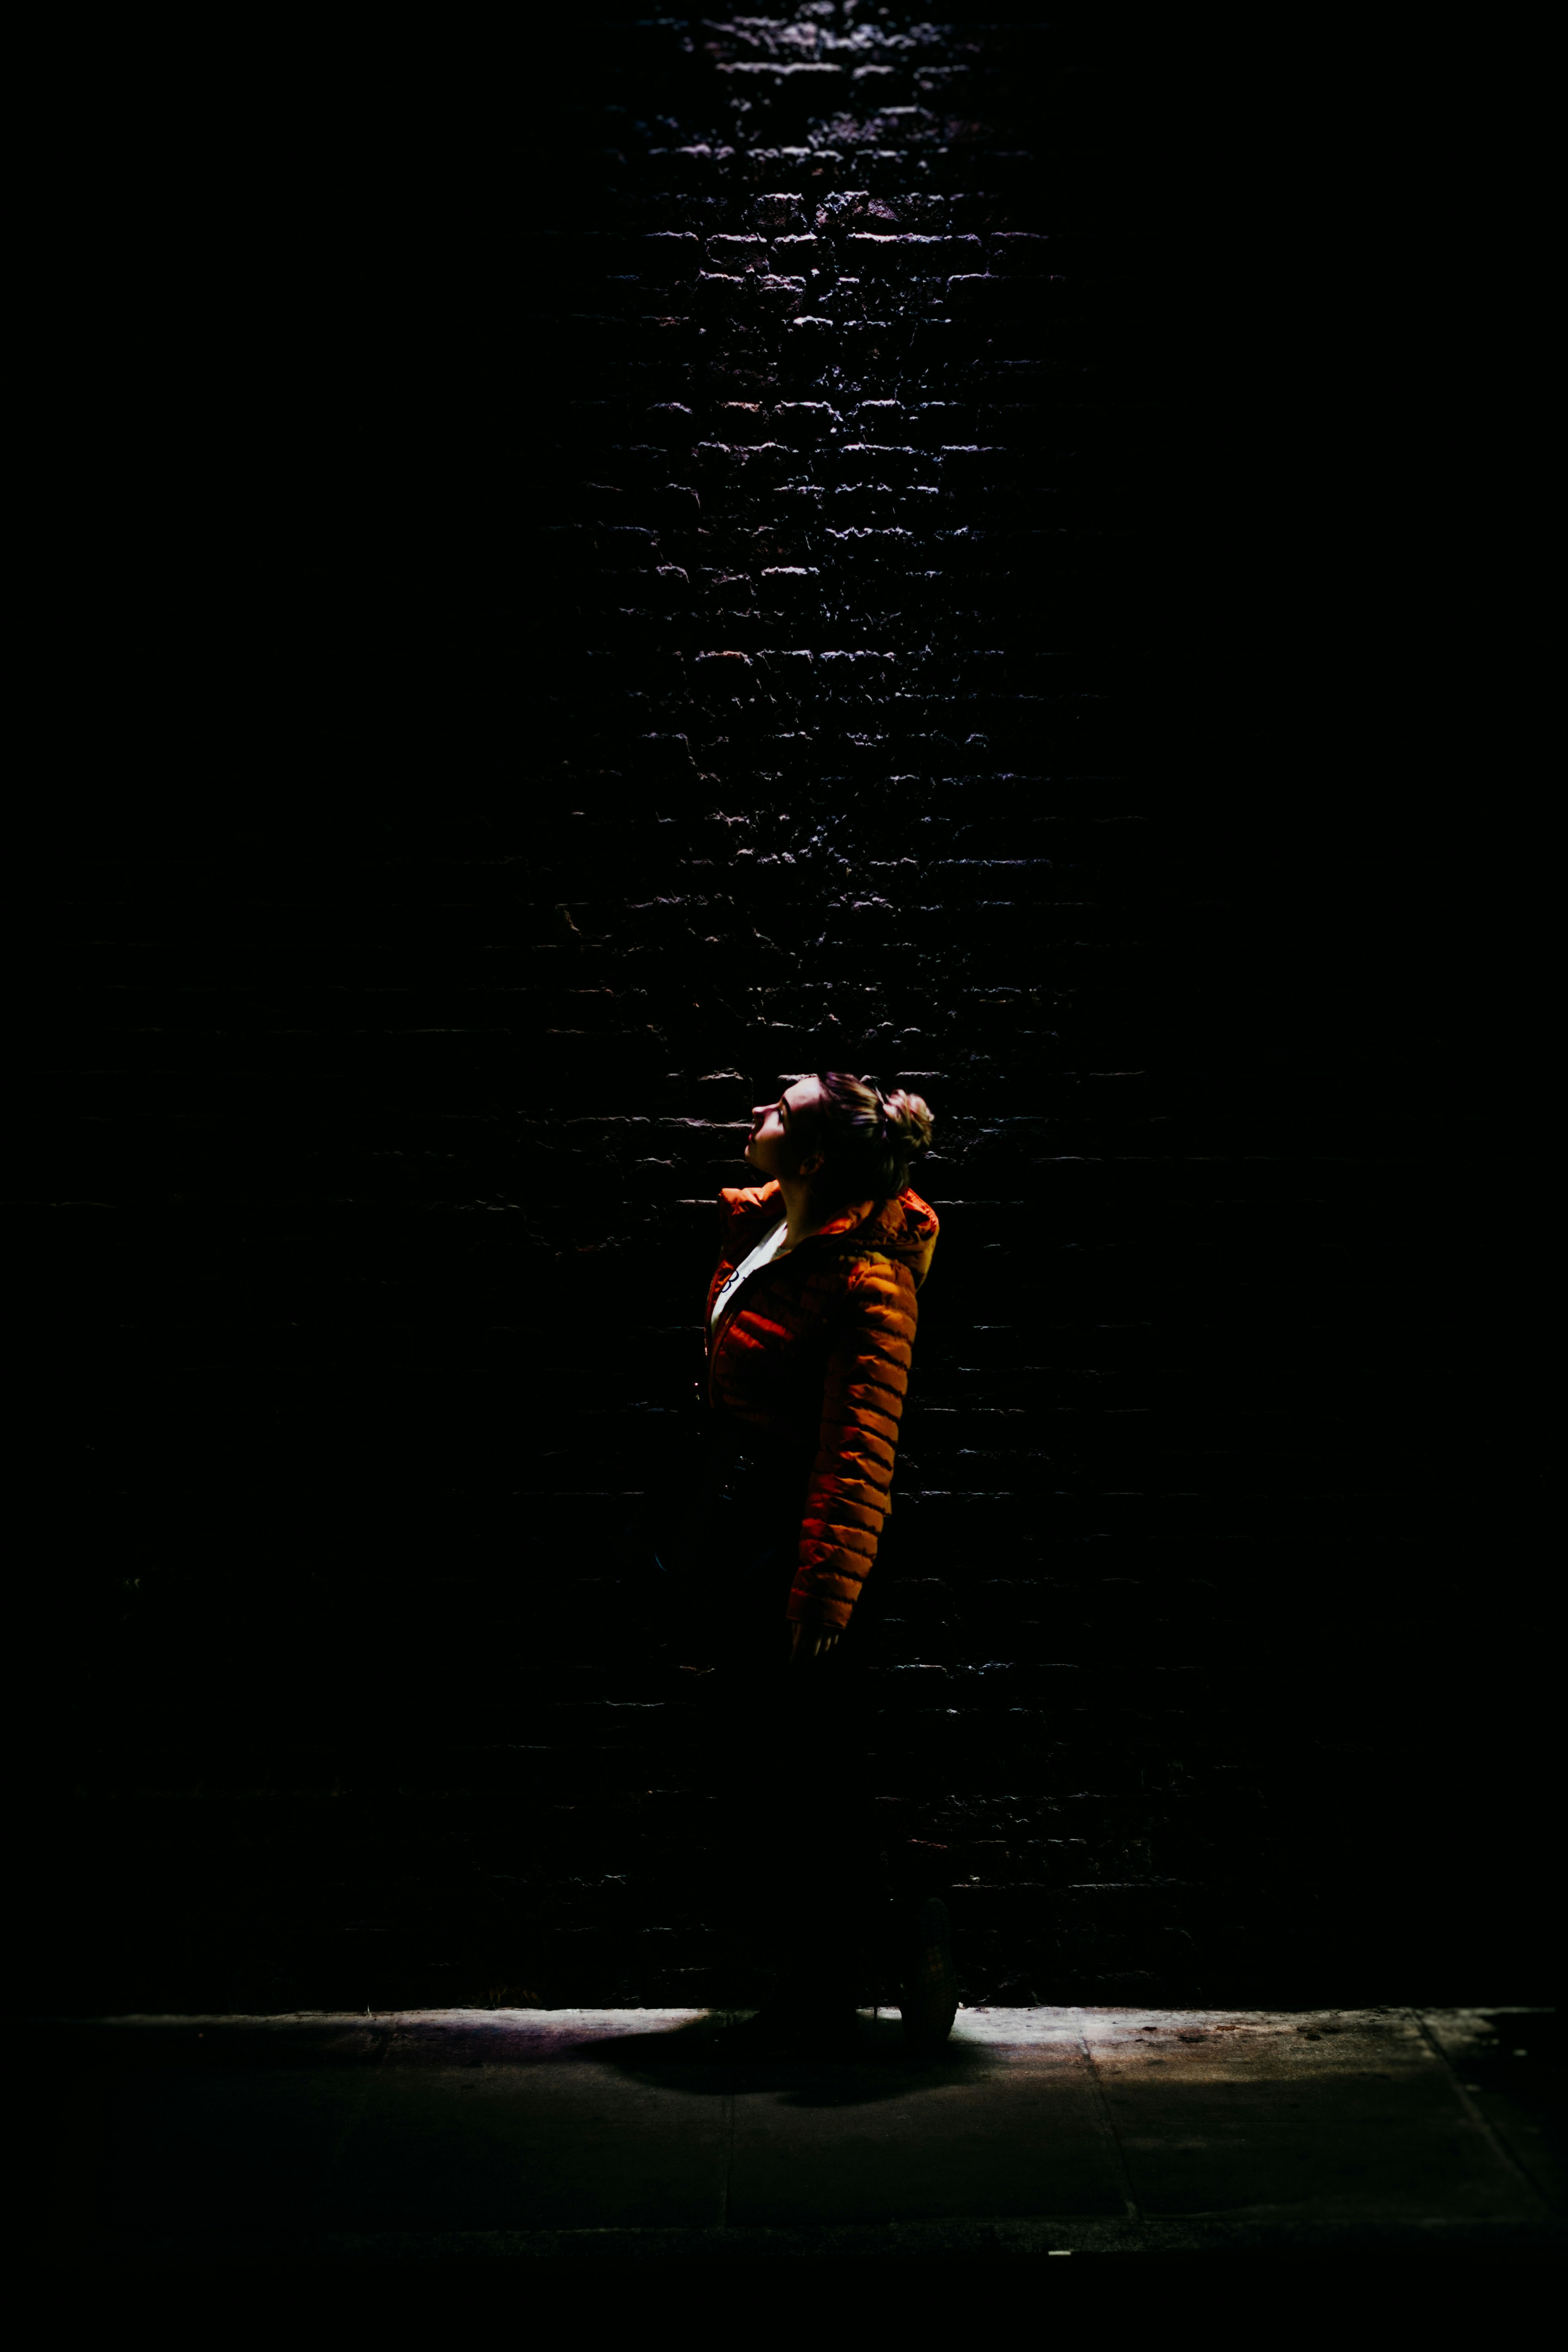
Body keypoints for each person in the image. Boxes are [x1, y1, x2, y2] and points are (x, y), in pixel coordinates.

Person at [663, 1070, 957, 2056]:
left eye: (780, 1112)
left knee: (807, 1766)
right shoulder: (770, 1233)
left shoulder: (868, 1277)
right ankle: (833, 1970)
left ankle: (882, 1932)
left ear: (816, 1155)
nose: (757, 1115)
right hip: (742, 1515)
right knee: (776, 1762)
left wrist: (824, 1585)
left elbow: (858, 1443)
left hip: (799, 1532)